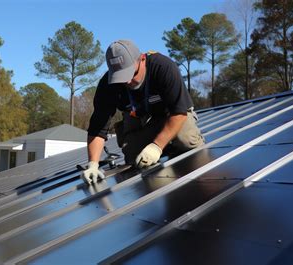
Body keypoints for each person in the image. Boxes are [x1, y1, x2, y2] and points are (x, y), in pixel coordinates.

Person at [81, 40, 205, 184]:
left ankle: (169, 146)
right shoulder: (107, 84)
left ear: (142, 59)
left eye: (130, 74)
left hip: (171, 115)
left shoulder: (163, 67)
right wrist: (93, 164)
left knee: (186, 139)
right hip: (139, 117)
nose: (126, 82)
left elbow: (179, 112)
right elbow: (98, 127)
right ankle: (159, 146)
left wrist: (156, 147)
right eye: (120, 77)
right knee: (134, 157)